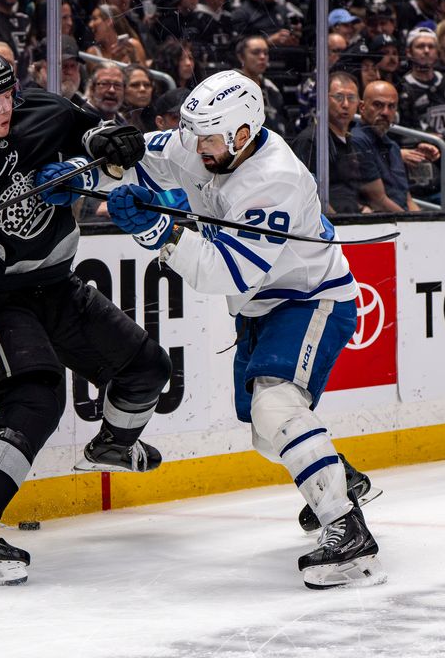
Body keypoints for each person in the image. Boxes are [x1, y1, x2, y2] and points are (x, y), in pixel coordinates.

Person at [38, 69, 383, 590]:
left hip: (309, 299)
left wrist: (160, 231)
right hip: (257, 309)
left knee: (276, 406)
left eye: (210, 139)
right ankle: (342, 479)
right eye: (194, 135)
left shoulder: (276, 180)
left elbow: (229, 270)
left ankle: (347, 529)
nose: (197, 147)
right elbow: (146, 163)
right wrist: (81, 173)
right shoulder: (204, 141)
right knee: (269, 436)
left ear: (243, 134)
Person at [0, 46, 171, 585]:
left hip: (58, 284)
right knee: (36, 396)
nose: (6, 106)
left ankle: (114, 444)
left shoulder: (35, 105)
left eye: (9, 93)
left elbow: (89, 131)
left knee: (147, 367)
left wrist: (109, 141)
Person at [291, 72, 366, 214]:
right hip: (329, 228)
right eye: (338, 97)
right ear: (323, 100)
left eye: (351, 98)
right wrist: (338, 224)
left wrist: (362, 209)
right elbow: (306, 195)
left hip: (355, 223)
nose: (345, 104)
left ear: (359, 103)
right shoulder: (311, 140)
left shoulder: (351, 142)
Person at [352, 80, 420, 212]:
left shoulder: (393, 146)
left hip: (403, 221)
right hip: (380, 225)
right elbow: (378, 201)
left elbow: (408, 200)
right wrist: (412, 223)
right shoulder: (357, 141)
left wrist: (424, 224)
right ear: (362, 107)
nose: (385, 112)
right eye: (378, 105)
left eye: (391, 106)